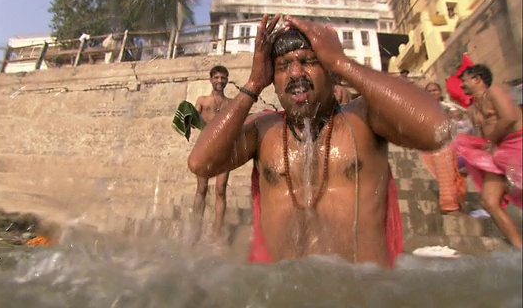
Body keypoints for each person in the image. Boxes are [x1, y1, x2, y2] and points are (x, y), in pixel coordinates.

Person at [188, 14, 449, 268]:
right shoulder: (263, 129)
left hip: (361, 293)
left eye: (308, 61)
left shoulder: (362, 119)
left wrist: (342, 62)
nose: (295, 73)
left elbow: (437, 129)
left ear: (330, 72)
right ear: (272, 80)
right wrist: (254, 83)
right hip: (284, 291)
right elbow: (201, 163)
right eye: (282, 66)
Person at [450, 64, 522, 249]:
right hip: (498, 154)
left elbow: (509, 118)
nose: (462, 85)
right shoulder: (473, 110)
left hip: (517, 146)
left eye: (464, 80)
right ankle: (519, 248)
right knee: (489, 201)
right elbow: (480, 136)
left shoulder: (496, 91)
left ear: (477, 79)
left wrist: (490, 141)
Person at [191, 65, 233, 244]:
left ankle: (217, 233)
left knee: (221, 189)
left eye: (223, 78)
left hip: (224, 149)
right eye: (216, 78)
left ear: (227, 80)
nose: (220, 81)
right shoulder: (202, 101)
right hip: (205, 147)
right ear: (210, 80)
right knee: (201, 188)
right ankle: (196, 230)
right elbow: (192, 121)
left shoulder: (231, 103)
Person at [420, 82, 467, 214]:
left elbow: (463, 119)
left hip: (456, 145)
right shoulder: (424, 108)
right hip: (438, 147)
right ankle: (449, 206)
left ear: (440, 91)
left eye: (435, 90)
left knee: (459, 176)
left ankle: (459, 204)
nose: (433, 93)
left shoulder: (450, 105)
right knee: (446, 176)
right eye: (429, 91)